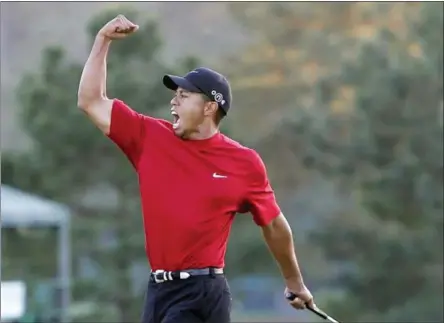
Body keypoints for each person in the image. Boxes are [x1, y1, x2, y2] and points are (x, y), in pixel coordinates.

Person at [77, 14, 315, 323]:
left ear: (209, 107)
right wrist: (103, 41)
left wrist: (295, 282)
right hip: (158, 292)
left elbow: (274, 226)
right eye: (174, 96)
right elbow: (90, 101)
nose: (173, 103)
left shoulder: (243, 162)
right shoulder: (149, 137)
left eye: (183, 96)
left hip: (202, 293)